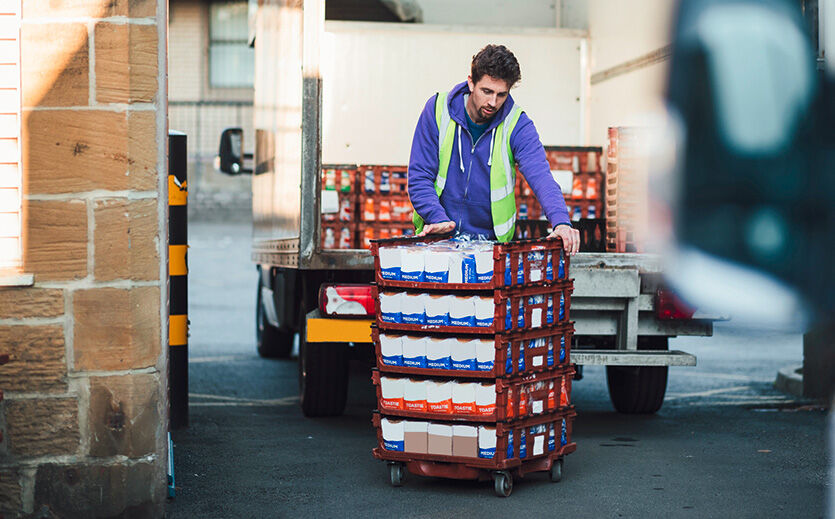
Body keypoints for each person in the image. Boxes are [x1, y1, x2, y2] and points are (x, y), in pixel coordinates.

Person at [408, 44, 580, 255]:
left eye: (501, 94)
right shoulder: (437, 110)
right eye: (486, 91)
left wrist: (561, 222)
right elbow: (419, 177)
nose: (492, 102)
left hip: (492, 250)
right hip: (437, 243)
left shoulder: (517, 124)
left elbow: (541, 176)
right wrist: (438, 219)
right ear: (471, 82)